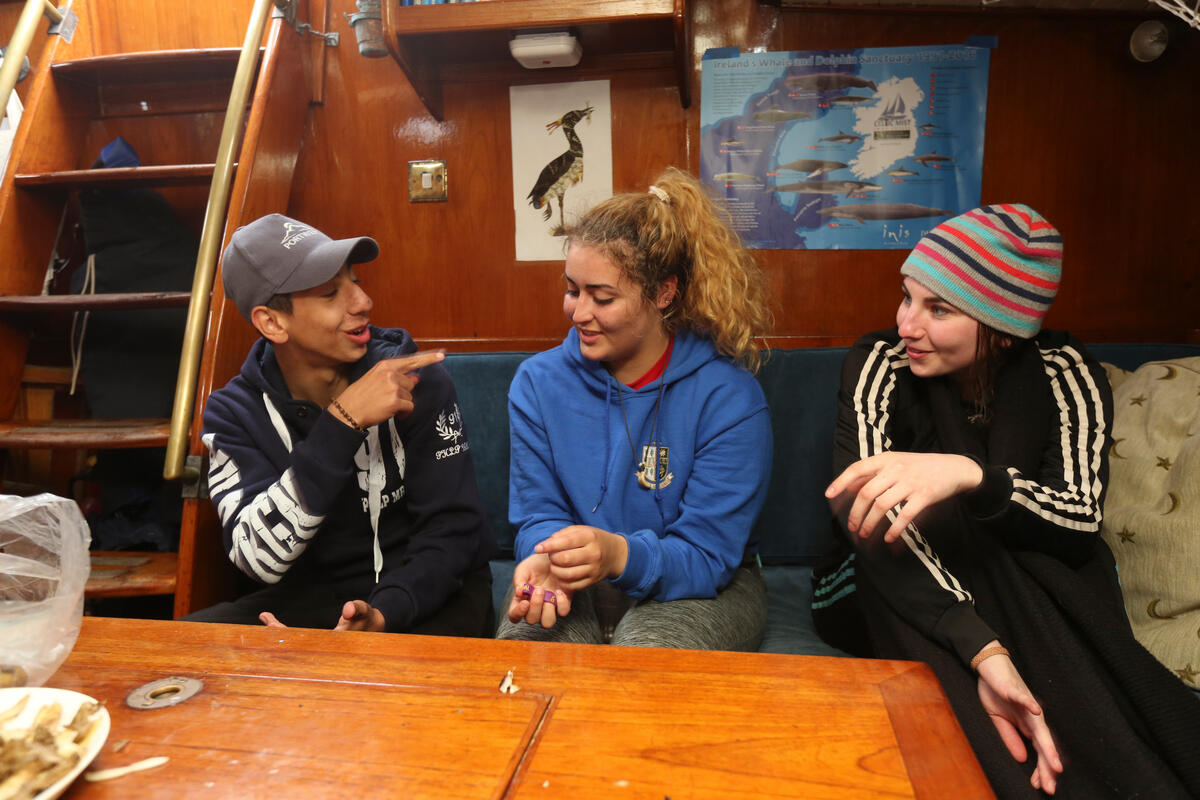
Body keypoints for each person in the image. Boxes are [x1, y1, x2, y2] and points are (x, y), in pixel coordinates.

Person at [812, 204, 1200, 798]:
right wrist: (983, 649)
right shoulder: (879, 362)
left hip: (1025, 579)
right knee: (930, 530)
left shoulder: (1064, 370)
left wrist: (974, 478)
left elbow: (1077, 519)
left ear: (1003, 326)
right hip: (879, 580)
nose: (905, 323)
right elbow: (861, 515)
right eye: (907, 297)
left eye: (938, 309)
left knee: (1022, 549)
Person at [497, 168, 773, 649]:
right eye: (572, 290)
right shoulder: (538, 384)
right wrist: (543, 555)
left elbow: (708, 555)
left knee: (647, 663)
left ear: (664, 293)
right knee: (528, 654)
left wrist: (617, 555)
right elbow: (537, 513)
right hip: (576, 577)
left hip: (701, 582)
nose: (579, 313)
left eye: (602, 297)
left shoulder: (728, 397)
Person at [186, 213, 497, 635]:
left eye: (356, 281)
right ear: (272, 322)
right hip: (312, 605)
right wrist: (341, 423)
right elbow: (258, 560)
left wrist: (383, 613)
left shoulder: (415, 382)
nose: (362, 302)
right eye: (331, 293)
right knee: (183, 644)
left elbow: (453, 534)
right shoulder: (233, 413)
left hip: (427, 595)